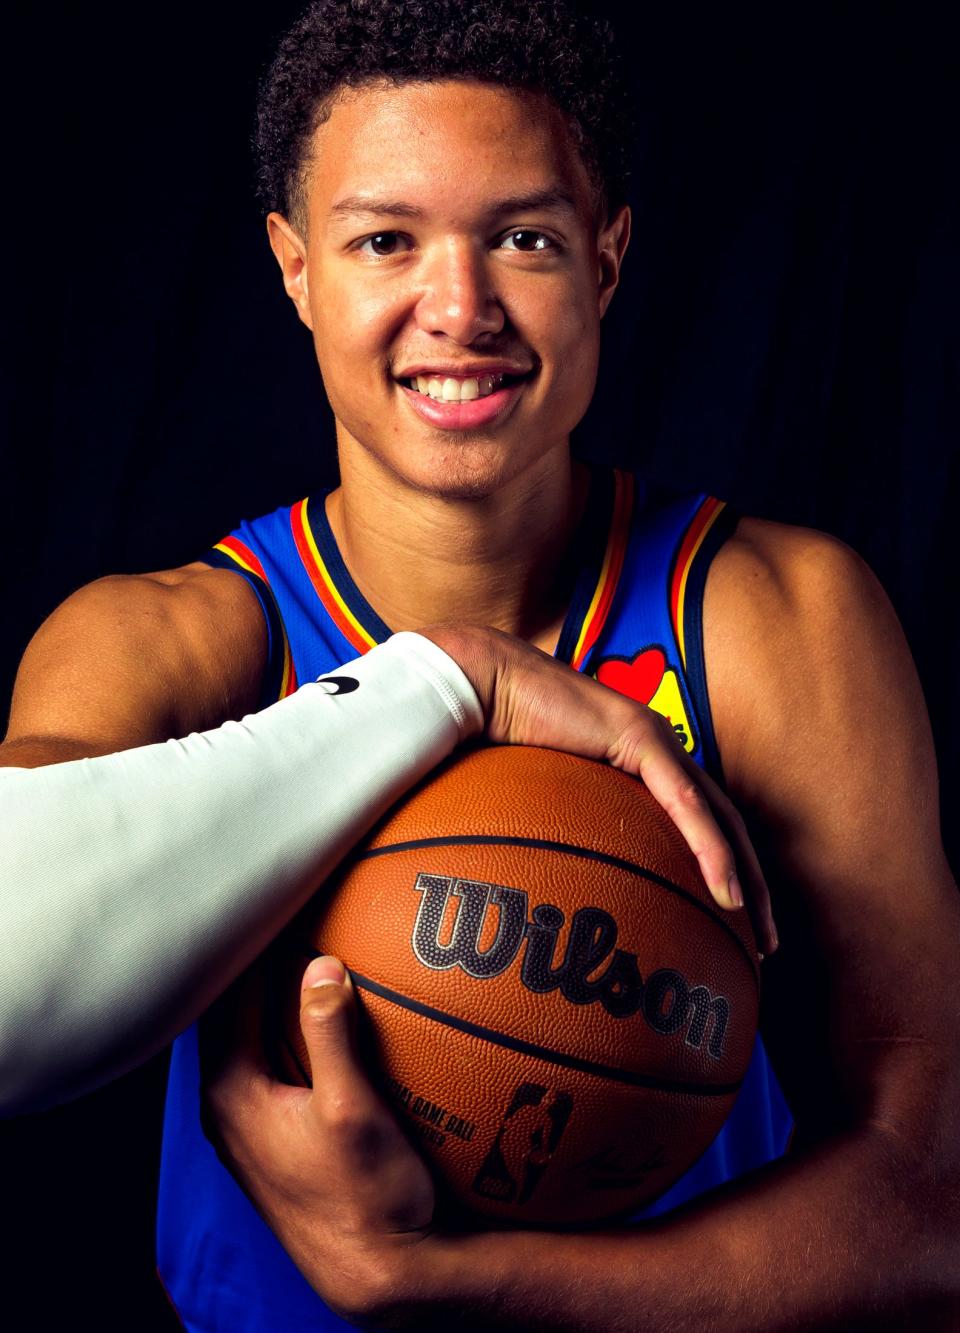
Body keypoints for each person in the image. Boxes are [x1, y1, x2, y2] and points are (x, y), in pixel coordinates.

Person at [2, 2, 957, 1331]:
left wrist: (457, 1283)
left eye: (522, 237)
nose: (461, 310)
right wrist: (442, 680)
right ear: (294, 268)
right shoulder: (174, 639)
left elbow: (933, 1191)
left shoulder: (766, 618)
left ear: (607, 258)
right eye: (385, 239)